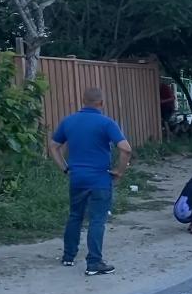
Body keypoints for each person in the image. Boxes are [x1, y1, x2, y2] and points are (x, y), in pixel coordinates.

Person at [49, 87, 133, 276]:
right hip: (100, 179)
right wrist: (119, 171)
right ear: (101, 103)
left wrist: (65, 168)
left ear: (83, 101)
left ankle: (68, 256)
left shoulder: (68, 121)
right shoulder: (106, 123)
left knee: (75, 216)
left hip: (77, 178)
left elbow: (53, 146)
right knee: (97, 220)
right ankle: (94, 262)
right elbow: (126, 149)